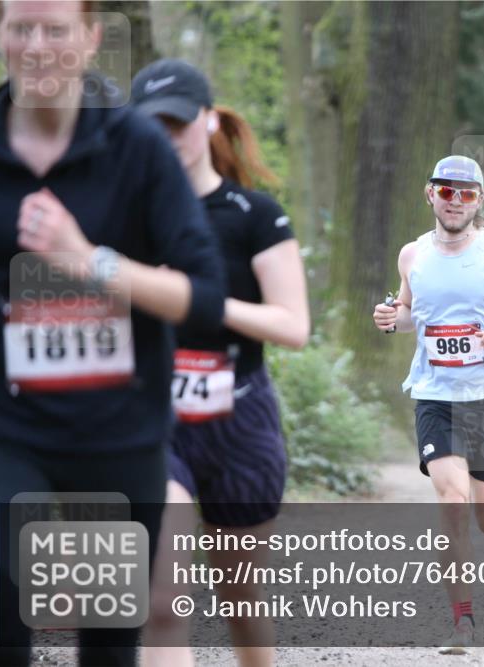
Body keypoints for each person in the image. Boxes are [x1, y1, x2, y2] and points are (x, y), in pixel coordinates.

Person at [0, 3, 226, 666]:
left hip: (116, 432)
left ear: (90, 39)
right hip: (3, 429)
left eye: (55, 29)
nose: (36, 47)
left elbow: (203, 298)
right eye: (20, 28)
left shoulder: (137, 150)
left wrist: (89, 259)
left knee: (107, 641)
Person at [130, 59, 309, 667]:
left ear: (208, 122)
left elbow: (294, 327)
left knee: (241, 596)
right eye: (153, 126)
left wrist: (197, 299)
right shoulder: (127, 218)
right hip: (157, 421)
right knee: (163, 596)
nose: (167, 135)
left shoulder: (255, 215)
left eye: (178, 122)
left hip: (241, 418)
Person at [372, 155, 484, 654]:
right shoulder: (412, 255)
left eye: (466, 194)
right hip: (436, 397)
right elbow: (411, 313)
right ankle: (462, 622)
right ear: (429, 194)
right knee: (451, 503)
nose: (455, 201)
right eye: (446, 191)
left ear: (479, 201)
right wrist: (392, 315)